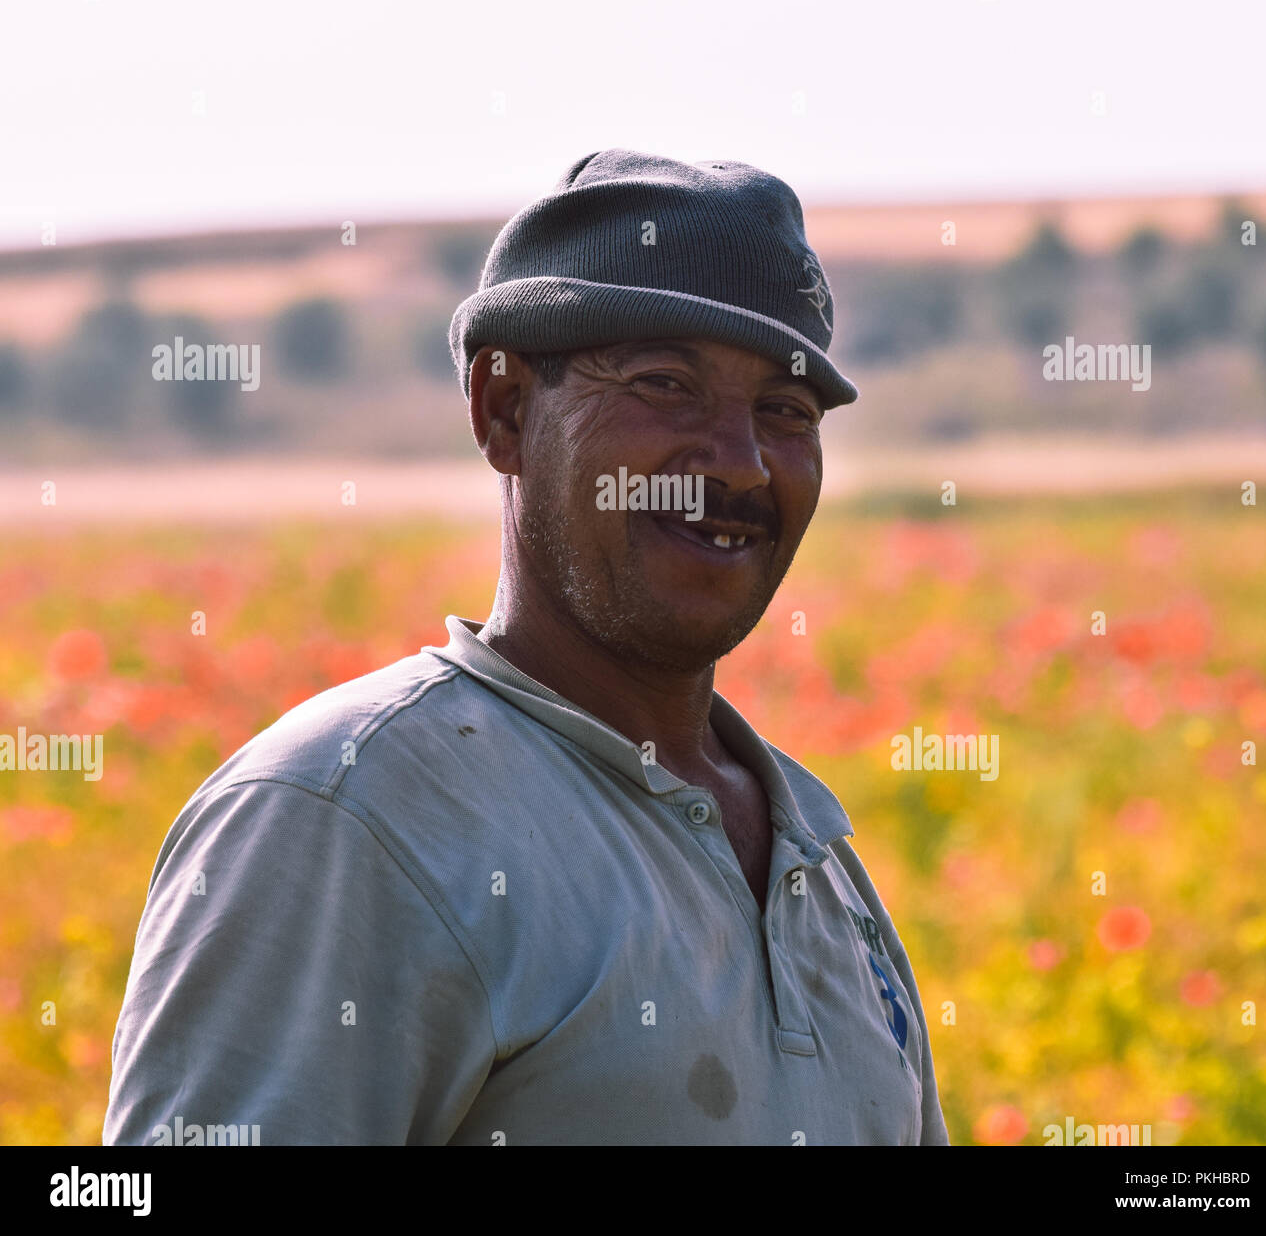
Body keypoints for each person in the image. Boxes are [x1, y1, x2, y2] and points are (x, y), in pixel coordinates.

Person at [103, 148, 949, 1145]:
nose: (740, 463)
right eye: (664, 383)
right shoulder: (344, 818)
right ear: (503, 410)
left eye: (786, 410)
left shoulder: (816, 858)